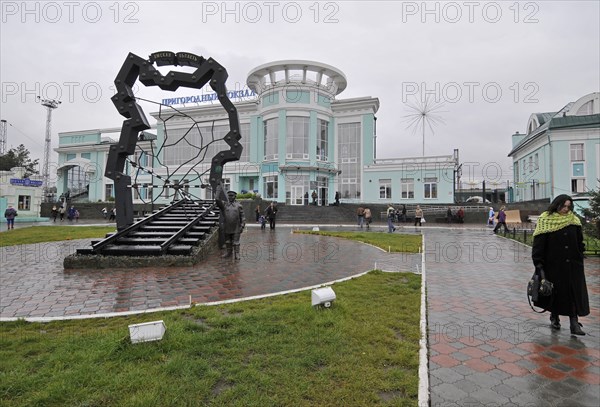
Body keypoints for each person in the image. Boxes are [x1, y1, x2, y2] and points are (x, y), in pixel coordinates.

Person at [531, 194, 589, 335]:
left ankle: (574, 324)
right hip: (554, 266)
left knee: (573, 294)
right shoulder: (546, 220)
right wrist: (539, 264)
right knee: (555, 294)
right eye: (563, 206)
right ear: (556, 205)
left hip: (574, 266)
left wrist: (580, 255)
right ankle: (554, 317)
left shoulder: (574, 220)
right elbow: (539, 245)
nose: (566, 209)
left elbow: (579, 241)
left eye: (569, 206)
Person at [215, 182, 246, 260]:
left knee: (236, 242)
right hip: (227, 226)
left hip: (236, 227)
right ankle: (229, 252)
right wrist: (218, 190)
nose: (230, 197)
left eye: (232, 196)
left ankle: (237, 254)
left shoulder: (239, 206)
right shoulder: (224, 205)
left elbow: (242, 216)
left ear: (235, 196)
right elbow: (217, 200)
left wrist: (242, 225)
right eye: (229, 196)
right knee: (228, 241)